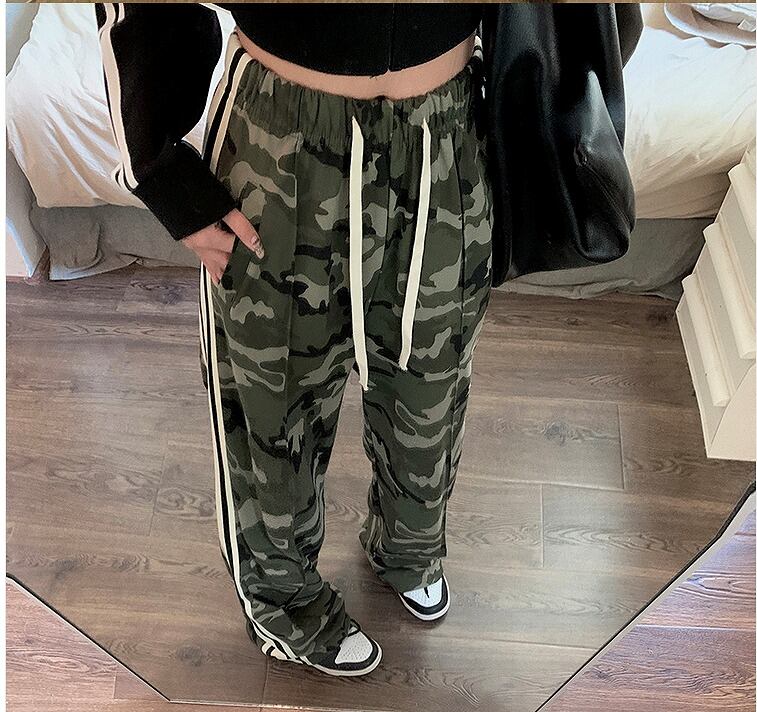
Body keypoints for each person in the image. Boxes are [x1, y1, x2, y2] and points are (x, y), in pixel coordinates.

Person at [95, 3, 492, 677]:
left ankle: (409, 547)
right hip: (280, 137)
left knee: (432, 384)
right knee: (271, 409)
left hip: (446, 129)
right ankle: (285, 606)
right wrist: (158, 168)